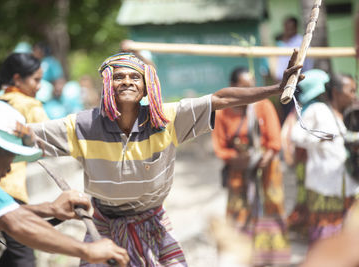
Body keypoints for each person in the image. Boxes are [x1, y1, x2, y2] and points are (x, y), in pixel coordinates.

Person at [29, 51, 302, 266]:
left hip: (154, 224)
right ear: (108, 85)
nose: (126, 82)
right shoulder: (83, 125)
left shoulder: (167, 118)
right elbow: (27, 135)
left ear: (147, 88)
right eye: (119, 76)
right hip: (104, 224)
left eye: (135, 77)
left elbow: (220, 98)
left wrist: (276, 88)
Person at [0, 74, 129, 266]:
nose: (8, 169)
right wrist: (87, 250)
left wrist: (50, 209)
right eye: (10, 158)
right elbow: (14, 221)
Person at [211, 67, 290, 266]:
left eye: (251, 87)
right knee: (239, 215)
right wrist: (238, 159)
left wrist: (266, 155)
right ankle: (243, 257)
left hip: (267, 171)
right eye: (244, 87)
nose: (249, 91)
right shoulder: (222, 113)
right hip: (238, 173)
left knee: (270, 209)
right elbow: (220, 148)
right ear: (234, 87)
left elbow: (274, 140)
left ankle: (272, 259)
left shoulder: (263, 106)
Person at [0, 52, 50, 267]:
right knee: (24, 255)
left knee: (15, 250)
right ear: (17, 79)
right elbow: (53, 138)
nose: (40, 86)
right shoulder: (28, 105)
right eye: (36, 79)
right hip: (10, 190)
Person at [290, 70, 358, 244]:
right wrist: (318, 138)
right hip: (323, 187)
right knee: (324, 237)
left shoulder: (352, 113)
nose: (354, 95)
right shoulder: (317, 110)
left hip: (349, 186)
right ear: (336, 92)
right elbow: (295, 136)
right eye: (351, 91)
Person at [275, 16, 314, 123]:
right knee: (284, 112)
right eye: (286, 27)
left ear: (295, 28)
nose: (287, 30)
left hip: (296, 82)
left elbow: (307, 65)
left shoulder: (301, 42)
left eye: (290, 27)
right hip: (282, 83)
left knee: (294, 113)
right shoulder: (282, 43)